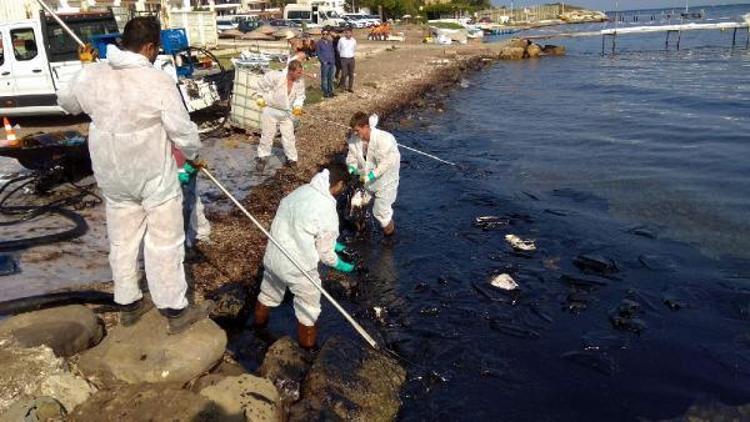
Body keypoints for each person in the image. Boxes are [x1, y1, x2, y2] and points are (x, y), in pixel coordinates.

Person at [56, 17, 211, 334]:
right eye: (157, 49)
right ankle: (174, 310)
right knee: (164, 241)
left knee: (123, 241)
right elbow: (182, 132)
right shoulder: (157, 81)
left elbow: (67, 103)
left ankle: (127, 304)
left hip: (112, 174)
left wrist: (83, 68)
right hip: (151, 175)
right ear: (150, 47)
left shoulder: (95, 73)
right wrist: (195, 156)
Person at [253, 162, 355, 349]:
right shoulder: (327, 208)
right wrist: (339, 263)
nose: (343, 190)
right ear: (339, 184)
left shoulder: (299, 192)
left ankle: (256, 332)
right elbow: (325, 255)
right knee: (308, 312)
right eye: (343, 186)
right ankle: (306, 353)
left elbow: (299, 225)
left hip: (274, 257)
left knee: (267, 294)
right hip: (299, 269)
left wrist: (333, 242)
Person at [346, 112, 400, 236]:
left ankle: (390, 237)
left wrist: (370, 176)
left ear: (366, 126)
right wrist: (352, 169)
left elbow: (386, 164)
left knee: (380, 213)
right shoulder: (354, 140)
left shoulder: (384, 139)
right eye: (354, 130)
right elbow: (351, 158)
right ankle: (362, 234)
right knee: (355, 205)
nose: (355, 133)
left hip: (385, 182)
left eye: (357, 130)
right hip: (366, 181)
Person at [253, 60, 306, 172]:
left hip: (287, 113)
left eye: (301, 72)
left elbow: (300, 96)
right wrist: (259, 98)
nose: (300, 75)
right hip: (271, 110)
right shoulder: (276, 76)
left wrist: (297, 107)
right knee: (267, 135)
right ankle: (262, 157)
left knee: (289, 136)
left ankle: (291, 159)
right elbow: (260, 85)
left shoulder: (299, 82)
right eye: (298, 72)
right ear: (291, 71)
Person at [315, 27, 336, 98]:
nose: (325, 35)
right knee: (324, 78)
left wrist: (333, 60)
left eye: (327, 34)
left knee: (331, 78)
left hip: (332, 62)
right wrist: (323, 61)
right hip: (325, 63)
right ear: (321, 34)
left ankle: (331, 91)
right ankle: (325, 92)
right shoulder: (319, 43)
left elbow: (332, 51)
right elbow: (318, 53)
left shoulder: (330, 42)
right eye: (324, 34)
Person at [336, 26, 356, 93]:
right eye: (347, 33)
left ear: (352, 33)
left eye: (350, 33)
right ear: (345, 33)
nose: (348, 34)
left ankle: (350, 87)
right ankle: (342, 87)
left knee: (351, 74)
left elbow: (354, 49)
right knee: (344, 74)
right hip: (343, 59)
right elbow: (338, 49)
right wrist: (342, 55)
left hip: (351, 59)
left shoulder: (354, 40)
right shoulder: (341, 40)